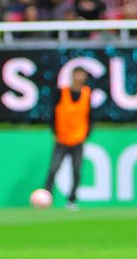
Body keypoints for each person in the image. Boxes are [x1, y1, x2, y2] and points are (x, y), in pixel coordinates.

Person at [44, 68, 93, 211]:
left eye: (82, 75)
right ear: (72, 76)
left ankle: (72, 200)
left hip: (78, 139)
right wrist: (54, 131)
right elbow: (53, 113)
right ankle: (46, 198)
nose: (79, 77)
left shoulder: (87, 94)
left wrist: (86, 133)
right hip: (61, 139)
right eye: (77, 74)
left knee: (77, 171)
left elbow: (90, 115)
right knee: (53, 169)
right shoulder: (61, 92)